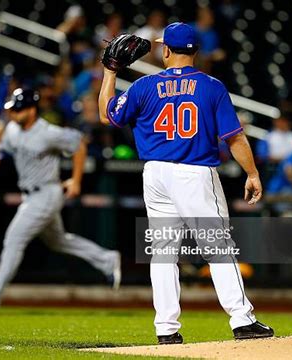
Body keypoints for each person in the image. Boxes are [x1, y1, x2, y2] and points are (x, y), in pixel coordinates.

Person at [98, 23, 273, 344]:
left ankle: (166, 329)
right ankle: (242, 320)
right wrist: (252, 173)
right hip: (195, 173)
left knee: (163, 253)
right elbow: (233, 137)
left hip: (155, 174)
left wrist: (110, 72)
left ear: (166, 50)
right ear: (195, 51)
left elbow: (107, 115)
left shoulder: (143, 85)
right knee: (218, 247)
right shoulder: (211, 86)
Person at [0, 88, 121, 309]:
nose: (14, 114)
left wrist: (76, 180)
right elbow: (5, 149)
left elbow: (79, 145)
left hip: (47, 193)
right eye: (13, 109)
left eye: (18, 109)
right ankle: (107, 259)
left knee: (14, 239)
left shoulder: (48, 132)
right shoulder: (12, 129)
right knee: (59, 241)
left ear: (31, 109)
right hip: (31, 195)